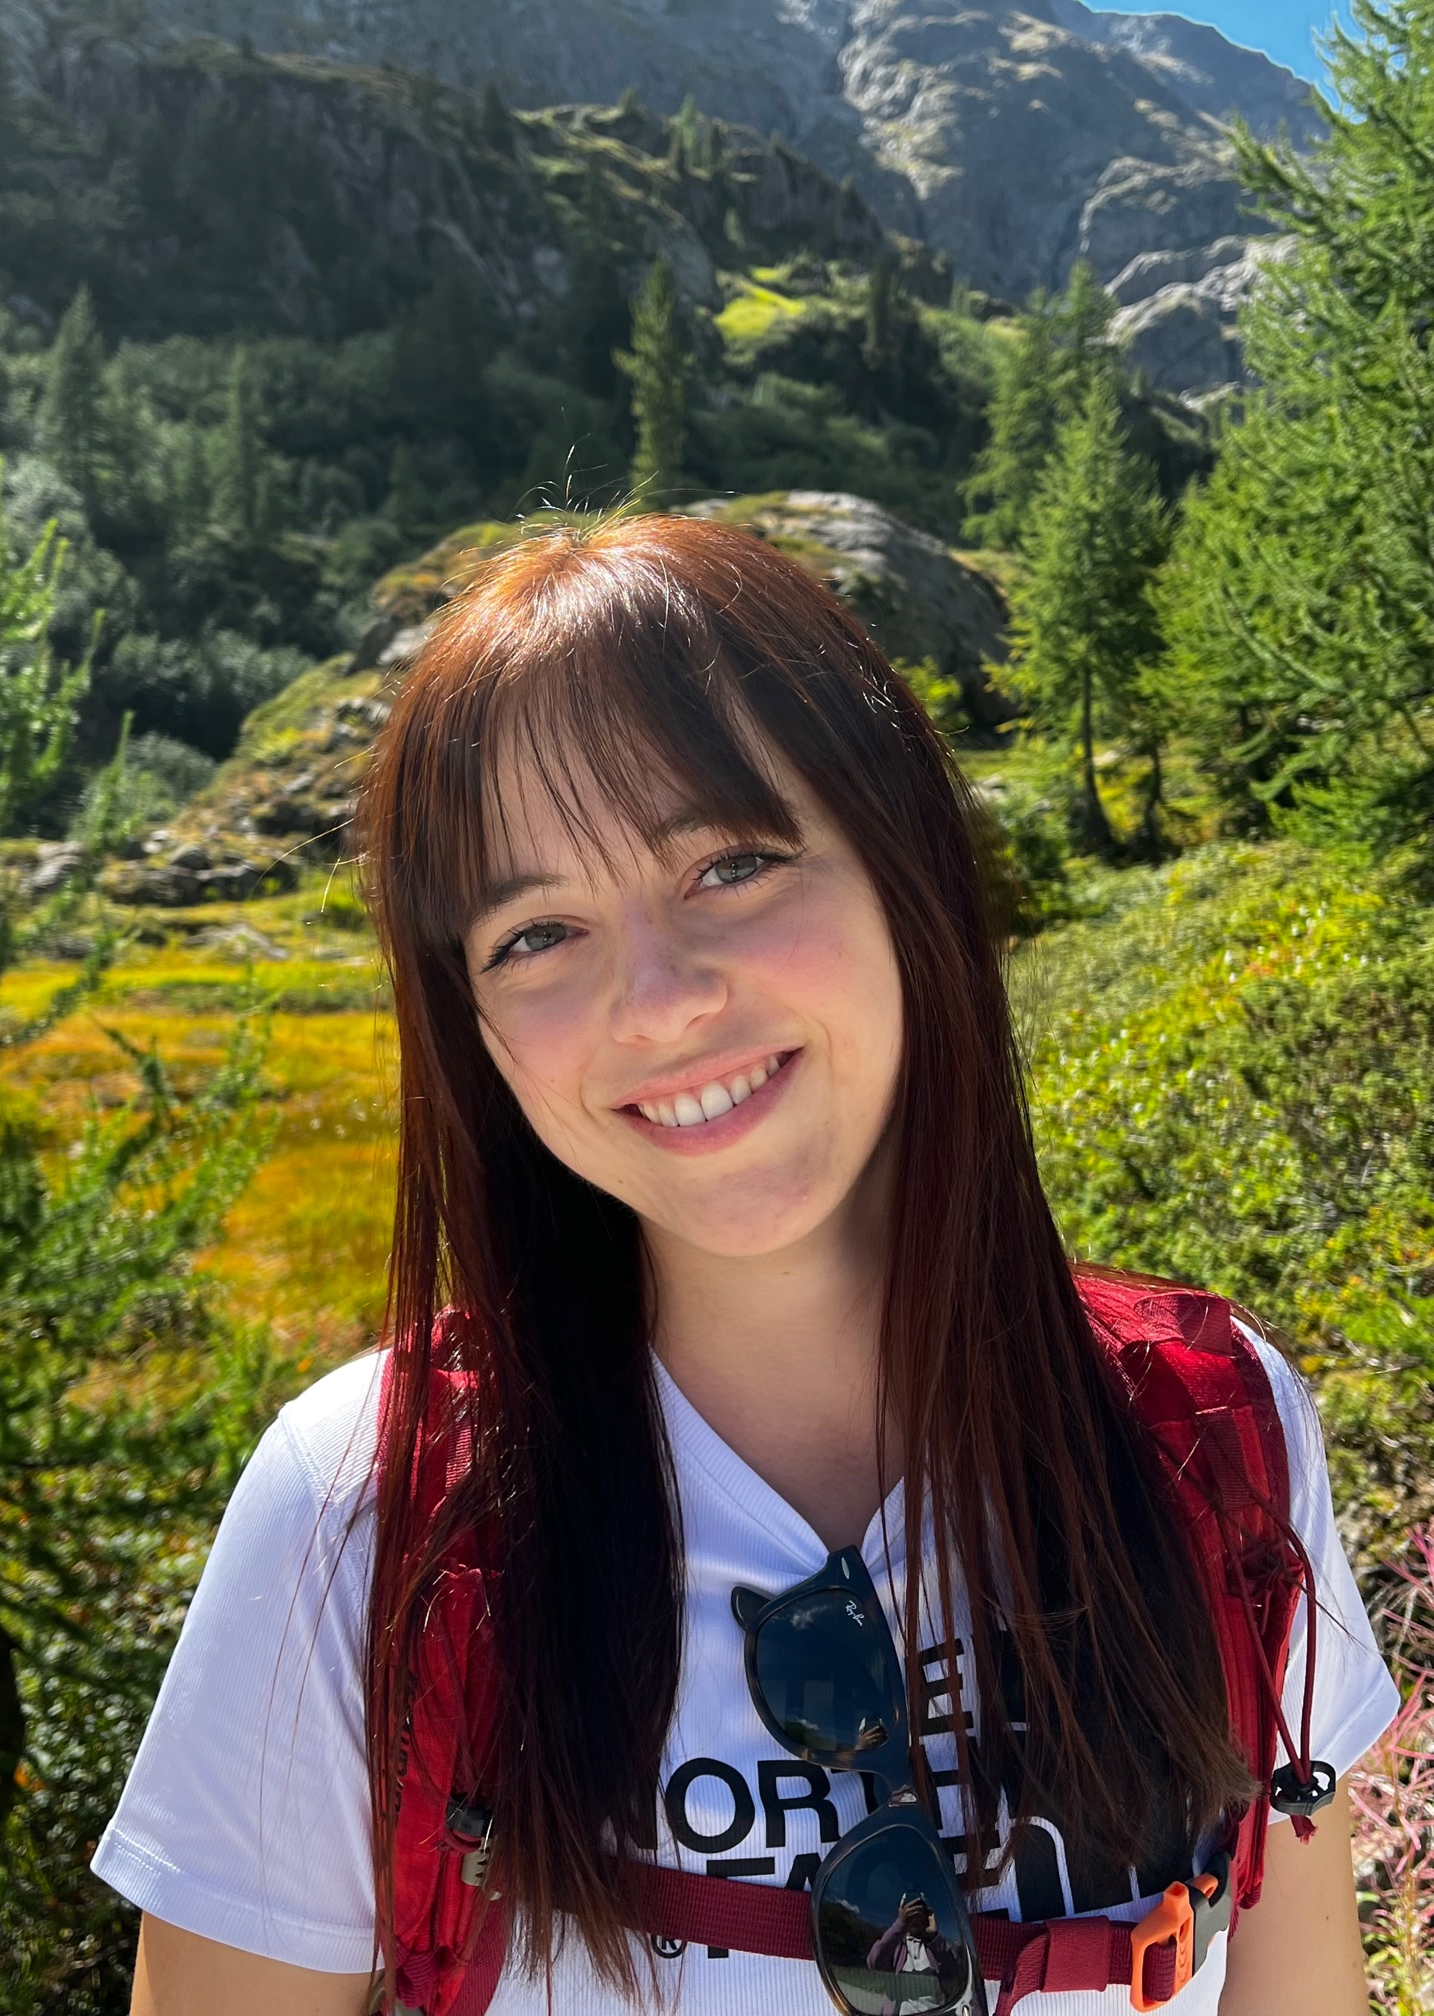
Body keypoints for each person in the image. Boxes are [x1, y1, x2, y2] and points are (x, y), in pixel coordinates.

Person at [93, 514, 1398, 2016]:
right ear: (476, 1032)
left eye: (730, 863)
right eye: (536, 934)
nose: (658, 1002)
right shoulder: (364, 1516)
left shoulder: (1208, 1429)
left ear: (903, 866)